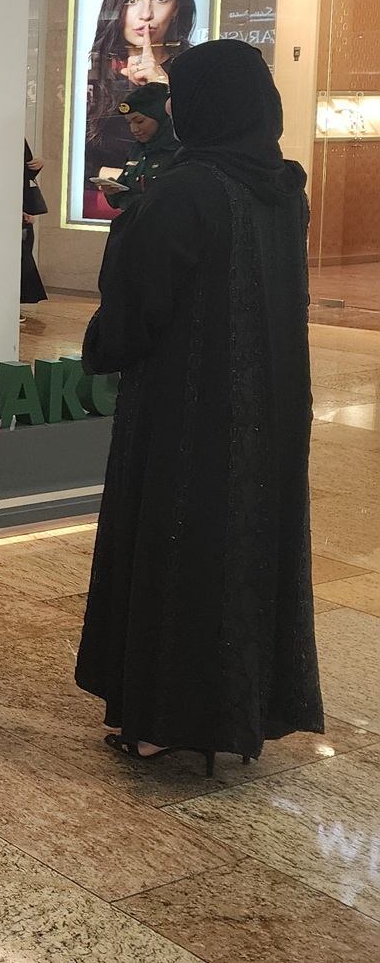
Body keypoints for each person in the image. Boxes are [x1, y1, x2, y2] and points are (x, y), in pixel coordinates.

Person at [77, 40, 322, 772]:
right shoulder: (283, 187)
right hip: (269, 403)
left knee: (180, 549)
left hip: (188, 407)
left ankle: (166, 719)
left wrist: (104, 344)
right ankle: (239, 710)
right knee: (247, 548)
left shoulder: (187, 190)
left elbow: (134, 309)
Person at [83, 0, 197, 217]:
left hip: (171, 210)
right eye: (132, 0)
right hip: (103, 210)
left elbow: (200, 145)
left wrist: (163, 84)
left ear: (176, 7)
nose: (146, 14)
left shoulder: (191, 71)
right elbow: (69, 157)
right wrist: (123, 178)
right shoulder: (96, 74)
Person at [100, 81, 180, 211]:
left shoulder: (180, 152)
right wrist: (113, 191)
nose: (133, 129)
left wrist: (128, 200)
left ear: (161, 117)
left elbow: (172, 203)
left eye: (139, 121)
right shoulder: (138, 150)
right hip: (136, 222)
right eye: (129, 123)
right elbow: (121, 194)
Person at [20, 141, 49, 313]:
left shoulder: (19, 141)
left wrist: (38, 164)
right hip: (15, 211)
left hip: (23, 212)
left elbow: (26, 173)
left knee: (24, 256)